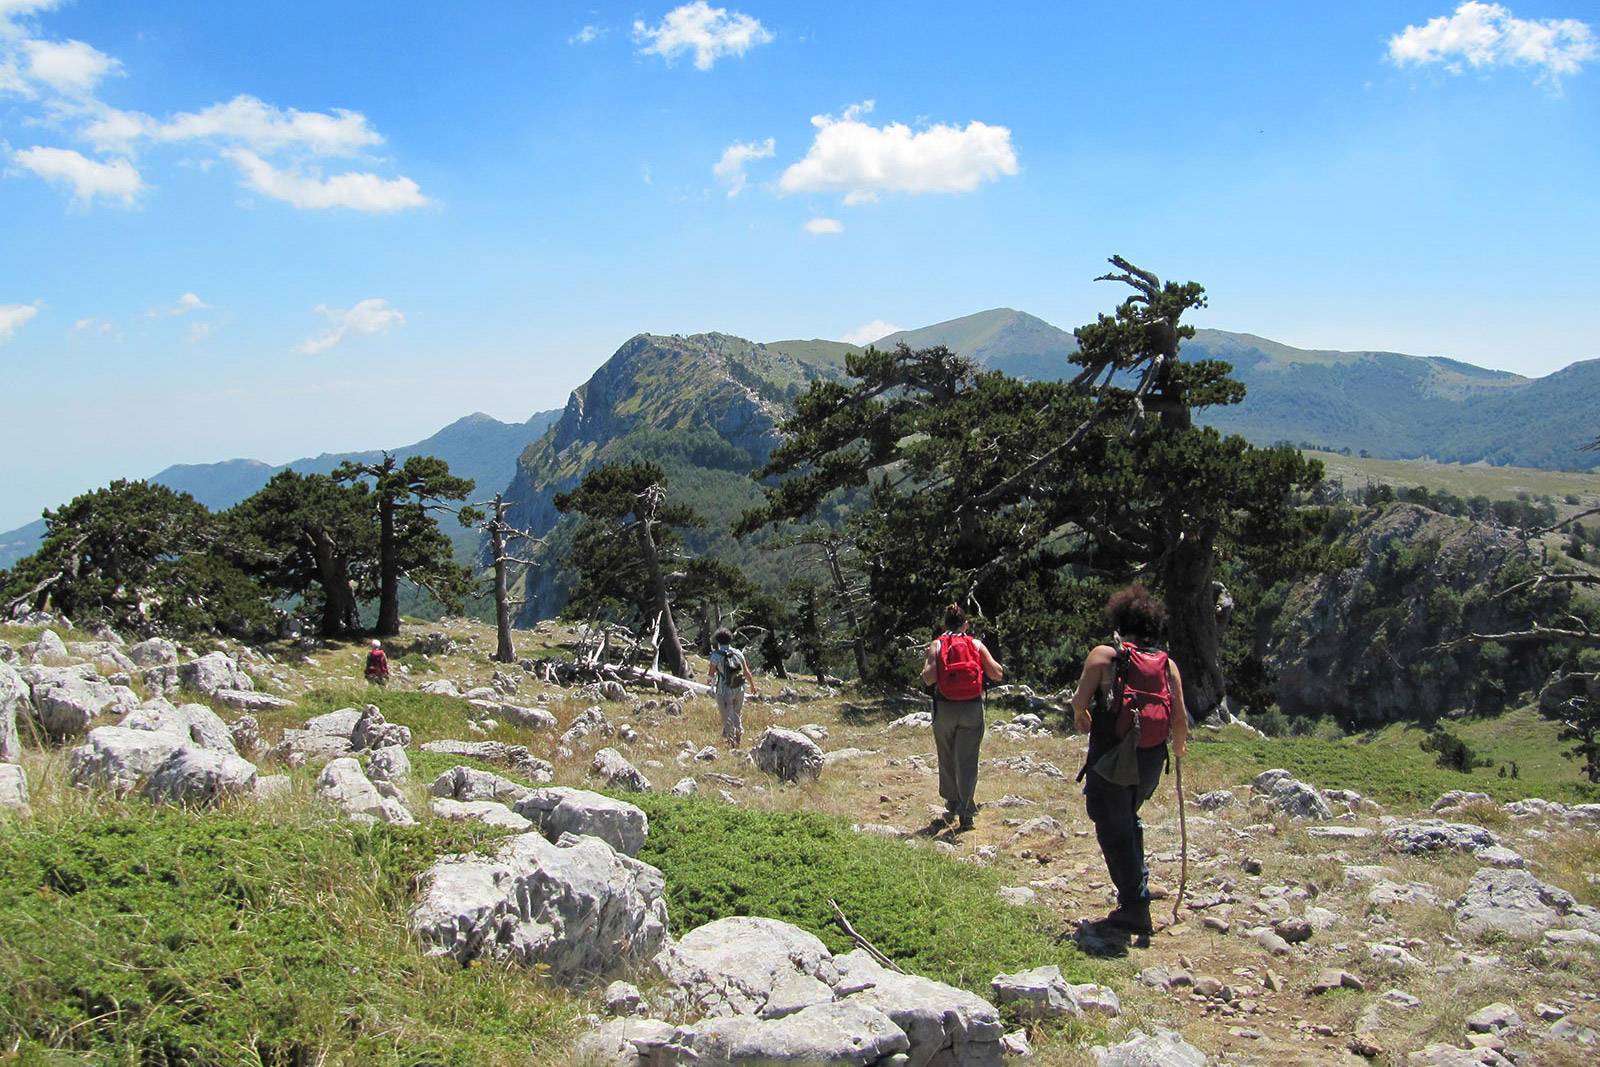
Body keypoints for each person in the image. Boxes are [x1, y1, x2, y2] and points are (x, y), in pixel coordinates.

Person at [1070, 585, 1188, 937]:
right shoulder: (1167, 665)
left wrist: (1082, 716)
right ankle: (1137, 890)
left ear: (1120, 620)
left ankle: (1135, 907)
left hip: (1112, 757)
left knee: (1111, 824)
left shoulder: (1106, 656)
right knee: (1128, 818)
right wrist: (1178, 750)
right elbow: (1180, 719)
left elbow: (1079, 701)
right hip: (1151, 759)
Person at [920, 602, 1004, 832]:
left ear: (945, 624)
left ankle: (952, 800)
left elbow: (928, 679)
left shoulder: (937, 644)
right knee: (967, 759)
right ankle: (966, 812)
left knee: (946, 755)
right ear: (965, 624)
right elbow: (997, 673)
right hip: (972, 708)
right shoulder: (975, 644)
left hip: (945, 708)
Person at [707, 628, 758, 746]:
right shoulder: (738, 653)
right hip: (740, 688)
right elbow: (746, 672)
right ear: (730, 639)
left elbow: (710, 674)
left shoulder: (716, 656)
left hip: (725, 690)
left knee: (727, 715)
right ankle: (738, 731)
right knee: (736, 712)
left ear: (718, 641)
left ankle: (732, 742)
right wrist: (752, 686)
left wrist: (709, 683)